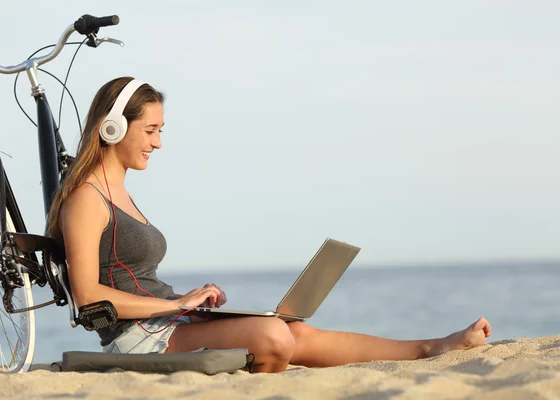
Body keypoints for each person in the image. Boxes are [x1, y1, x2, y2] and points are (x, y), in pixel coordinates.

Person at [47, 77, 492, 373]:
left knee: (293, 328)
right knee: (274, 335)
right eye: (150, 130)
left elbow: (135, 278)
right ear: (111, 128)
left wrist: (188, 303)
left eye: (161, 130)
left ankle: (429, 347)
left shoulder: (120, 193)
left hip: (166, 324)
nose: (158, 143)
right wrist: (175, 303)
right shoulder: (87, 198)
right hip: (136, 340)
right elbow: (88, 297)